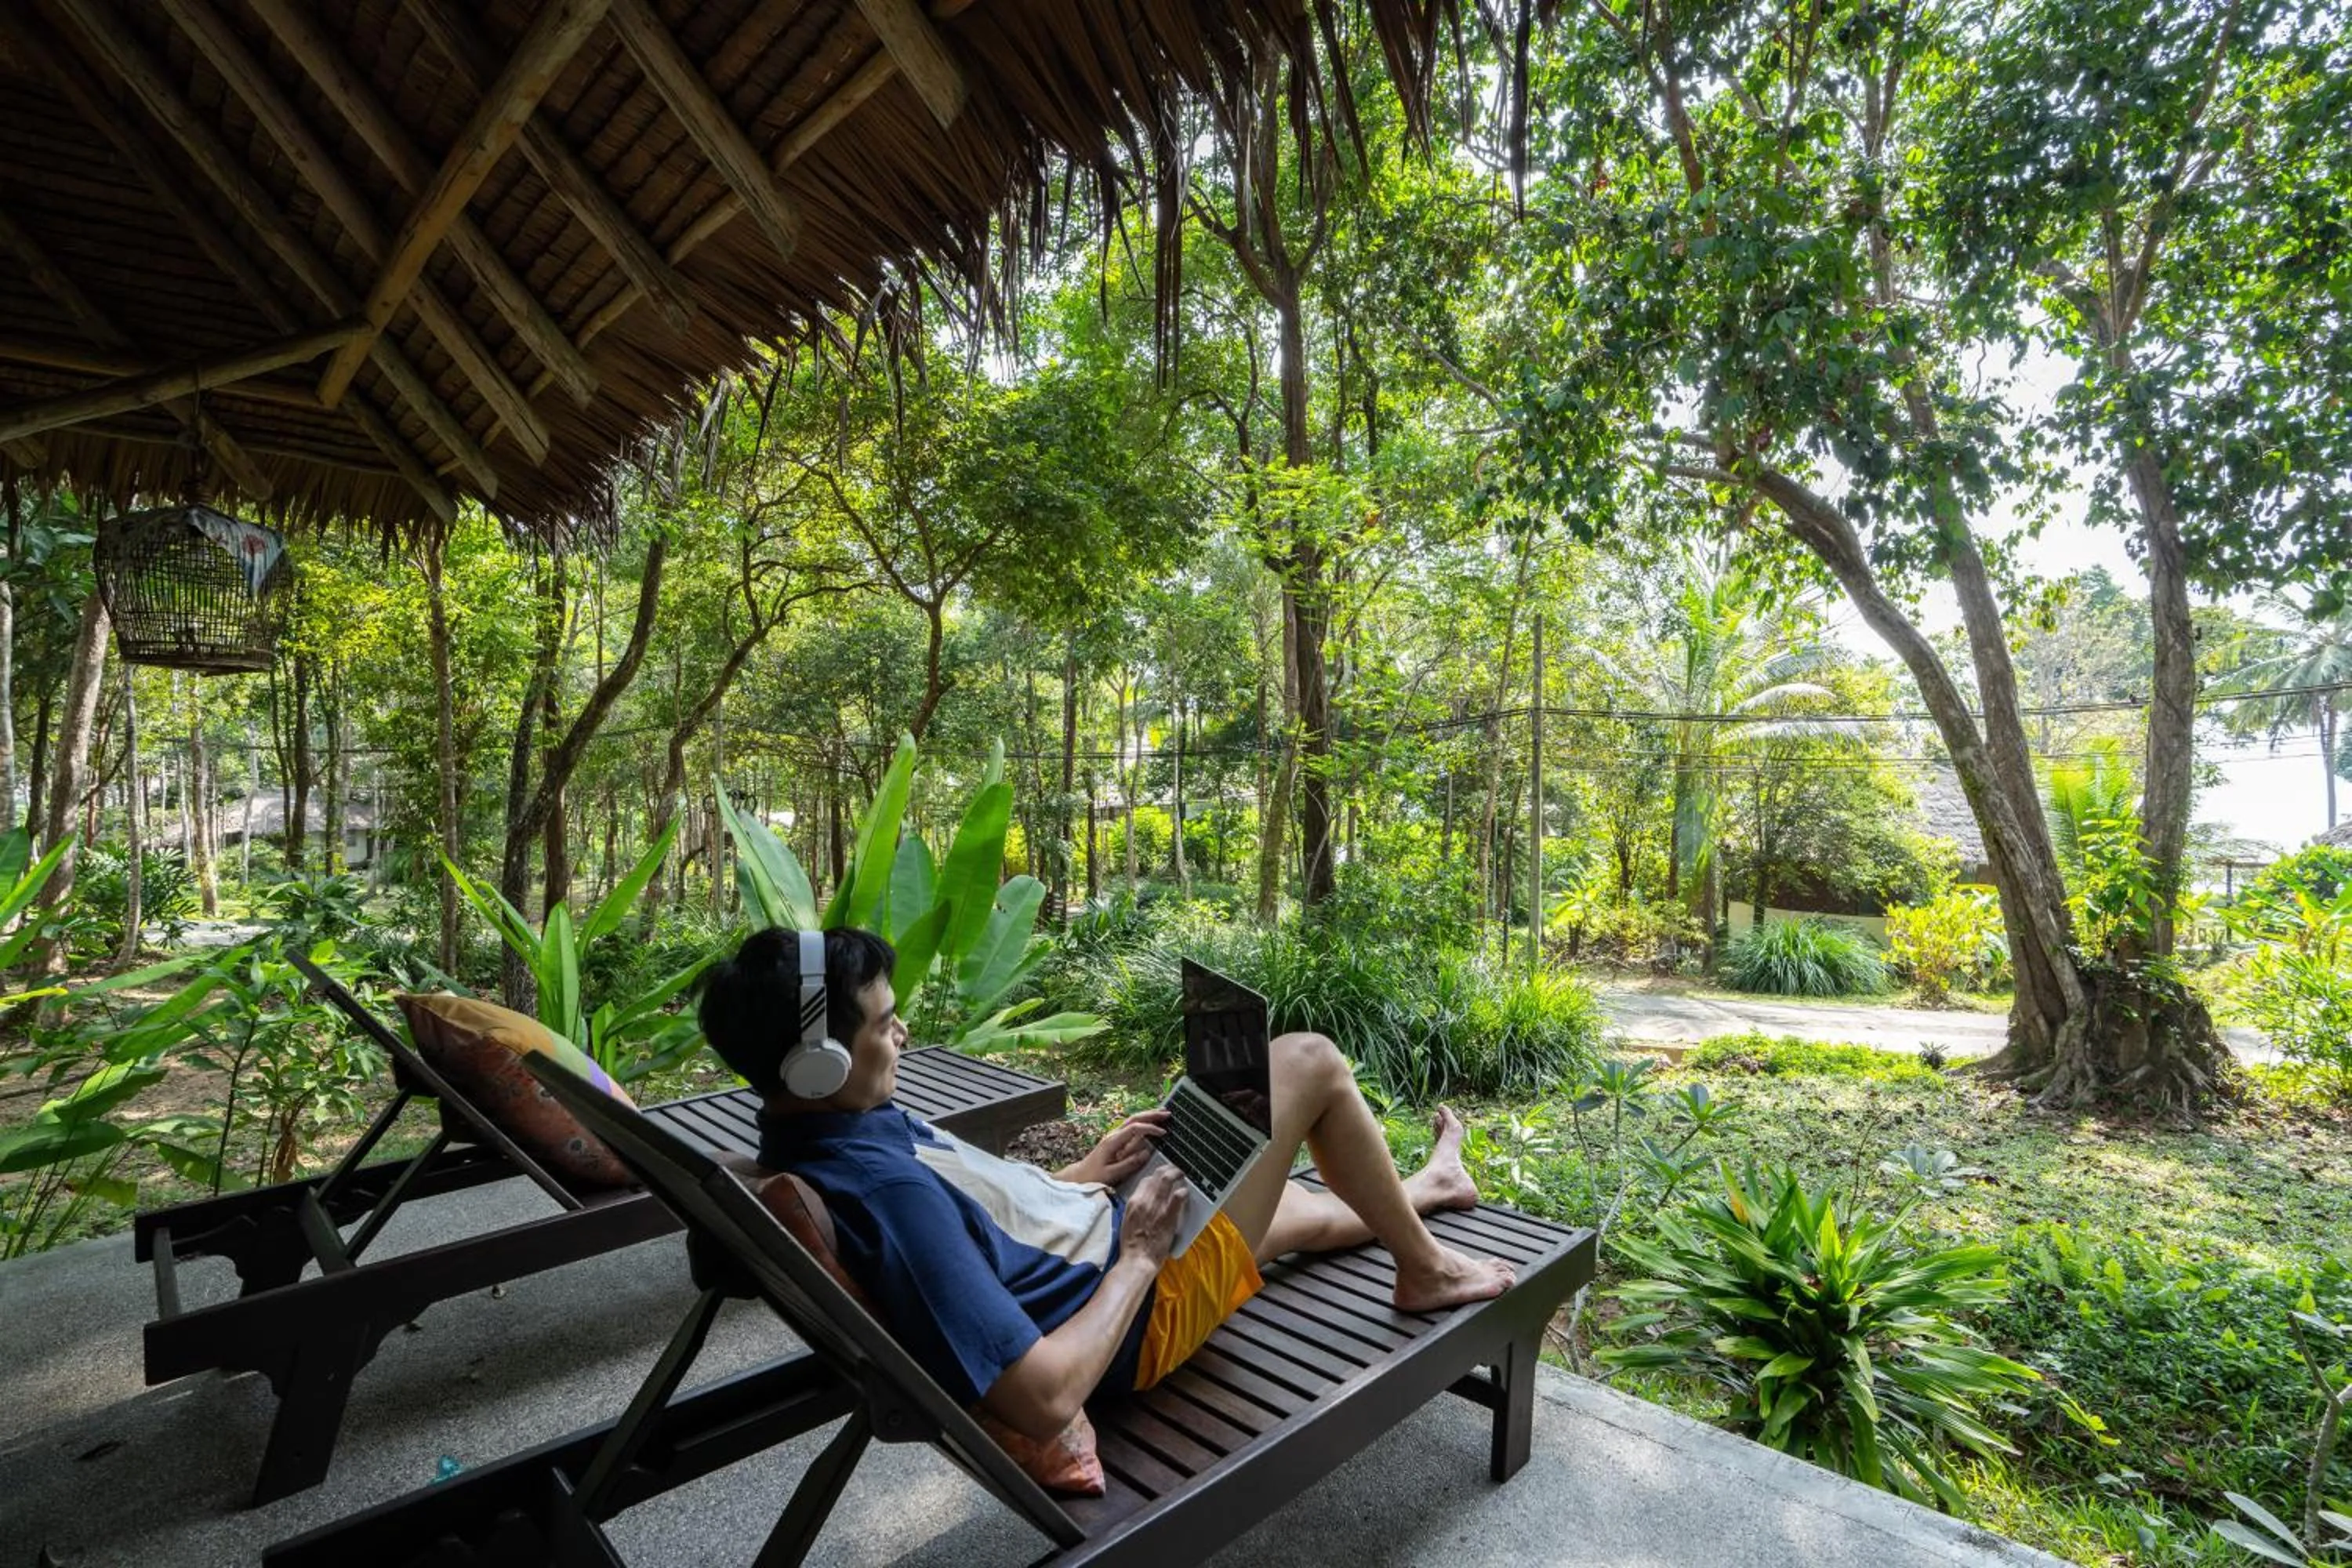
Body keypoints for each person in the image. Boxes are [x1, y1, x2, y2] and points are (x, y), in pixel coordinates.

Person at [697, 926, 1513, 1441]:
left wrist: (1086, 1173)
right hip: (1132, 1317)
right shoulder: (883, 1195)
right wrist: (1140, 1254)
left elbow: (974, 1207)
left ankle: (1431, 1186)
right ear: (818, 1062)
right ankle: (1427, 1269)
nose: (903, 1030)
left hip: (1100, 1229)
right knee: (1308, 1059)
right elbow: (1043, 1398)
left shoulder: (825, 1123)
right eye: (884, 1021)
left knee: (1286, 1208)